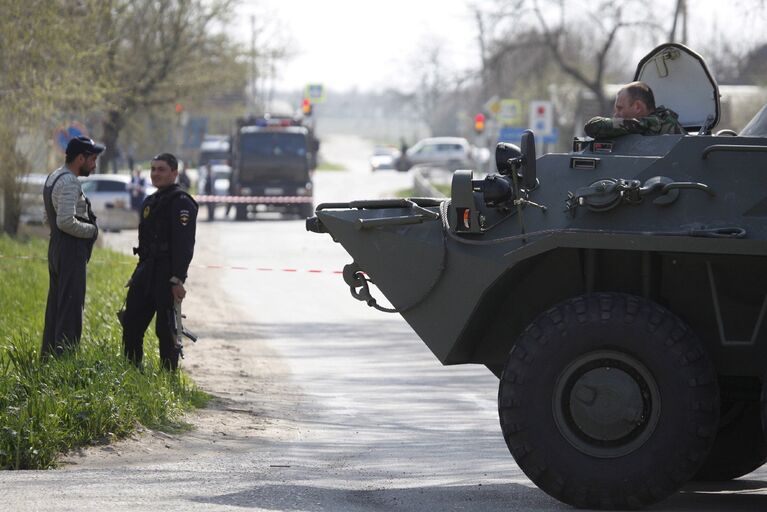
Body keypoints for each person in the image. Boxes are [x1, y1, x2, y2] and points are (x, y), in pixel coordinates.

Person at [121, 152, 198, 370]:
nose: (156, 174)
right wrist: (137, 274)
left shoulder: (182, 203)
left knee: (166, 331)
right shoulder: (150, 201)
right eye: (153, 169)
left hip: (167, 274)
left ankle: (168, 380)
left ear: (174, 173)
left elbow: (184, 246)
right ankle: (132, 373)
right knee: (131, 324)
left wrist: (178, 279)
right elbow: (145, 244)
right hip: (146, 271)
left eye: (161, 169)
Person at [41, 136, 103, 359]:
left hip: (56, 247)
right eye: (92, 159)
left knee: (56, 307)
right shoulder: (70, 182)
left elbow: (47, 218)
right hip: (69, 250)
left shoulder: (53, 177)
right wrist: (92, 231)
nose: (94, 165)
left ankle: (48, 360)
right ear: (80, 158)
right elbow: (65, 222)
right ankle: (65, 364)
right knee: (70, 309)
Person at [584, 81, 685, 139]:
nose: (616, 115)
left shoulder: (655, 123)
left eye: (620, 108)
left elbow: (594, 126)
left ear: (637, 107)